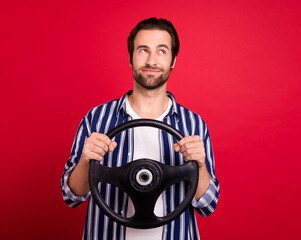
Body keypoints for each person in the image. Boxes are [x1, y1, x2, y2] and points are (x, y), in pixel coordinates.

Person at [61, 17, 220, 240]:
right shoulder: (96, 119)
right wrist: (86, 160)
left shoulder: (193, 125)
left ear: (173, 60)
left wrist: (200, 165)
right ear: (131, 58)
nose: (152, 60)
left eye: (162, 51)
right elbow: (71, 196)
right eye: (143, 50)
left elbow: (208, 204)